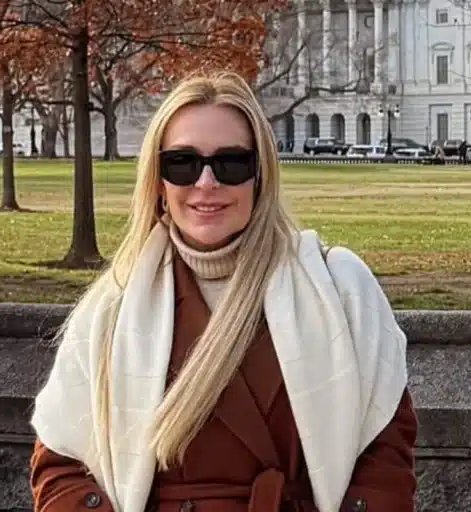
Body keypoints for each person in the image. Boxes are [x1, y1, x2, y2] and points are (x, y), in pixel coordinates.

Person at [29, 71, 417, 512]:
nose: (206, 183)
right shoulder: (111, 306)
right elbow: (61, 463)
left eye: (232, 164)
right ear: (158, 181)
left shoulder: (339, 286)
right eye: (182, 163)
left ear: (260, 176)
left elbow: (384, 452)